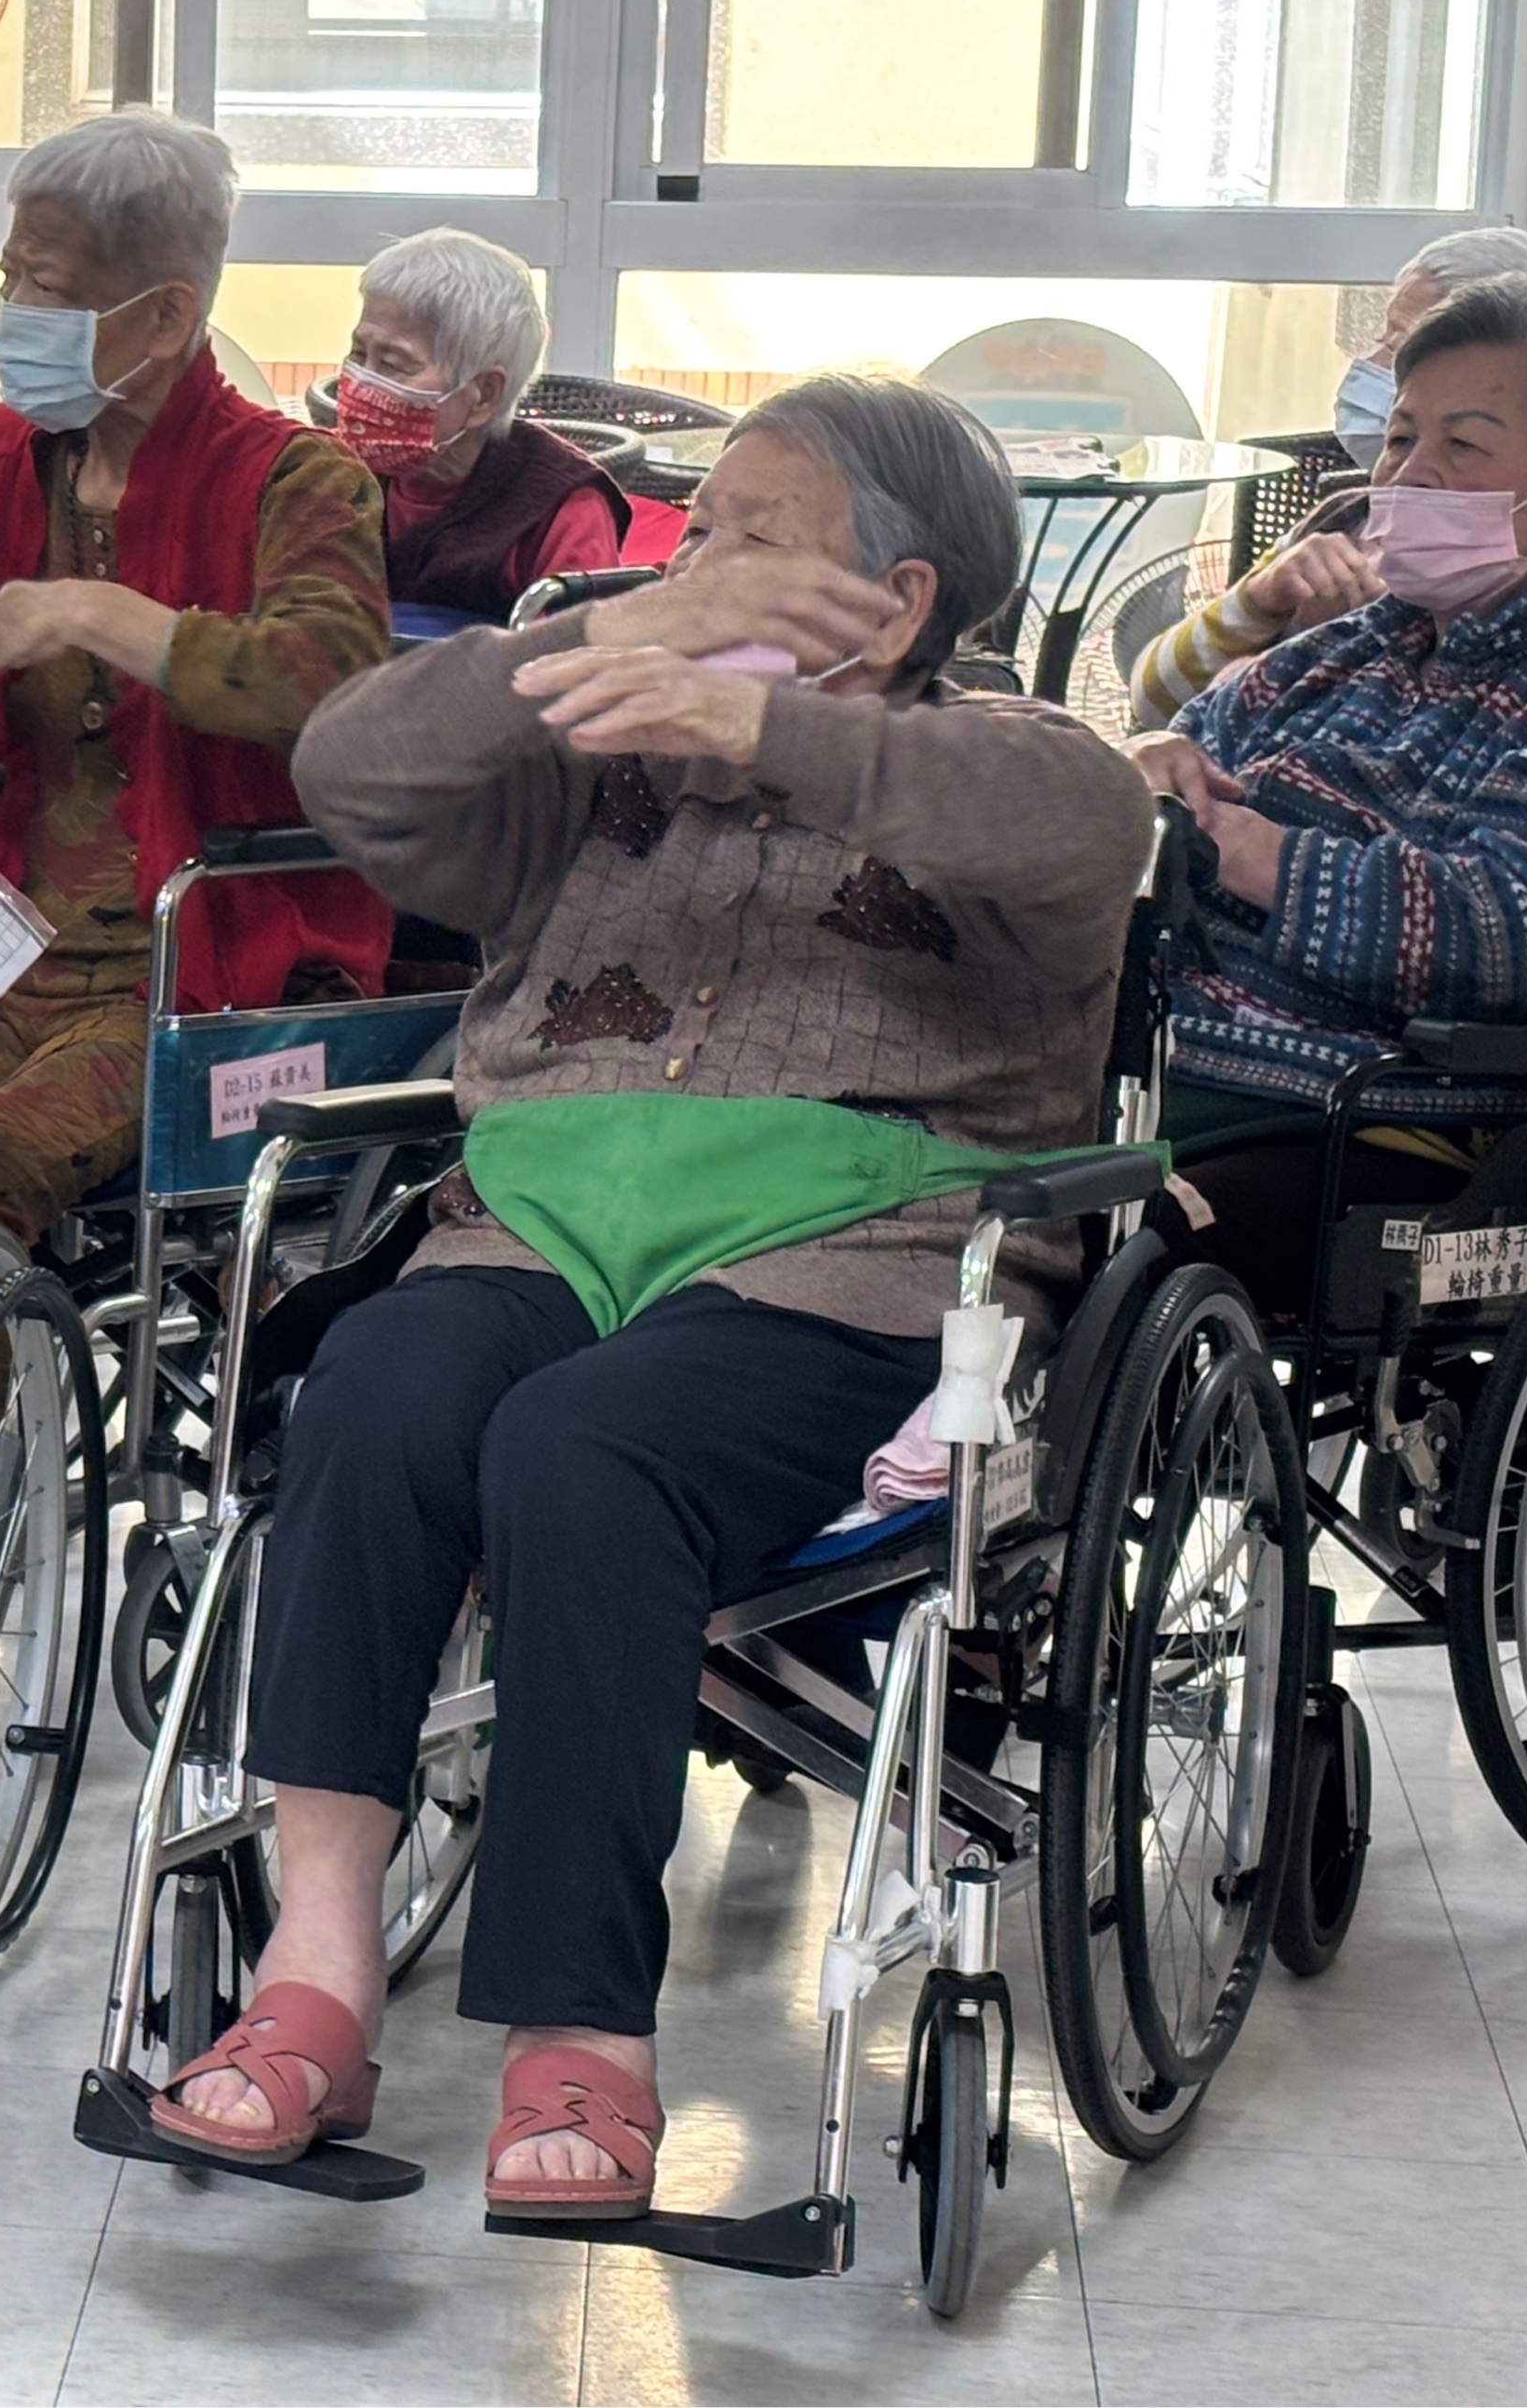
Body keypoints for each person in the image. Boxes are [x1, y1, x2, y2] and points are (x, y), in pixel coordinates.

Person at [156, 377, 1150, 2215]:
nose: (704, 560)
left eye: (759, 535)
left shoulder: (1012, 765)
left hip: (839, 1274)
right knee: (376, 1386)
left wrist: (763, 718)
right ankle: (316, 1962)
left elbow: (1080, 828)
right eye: (701, 527)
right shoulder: (594, 750)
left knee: (582, 1447)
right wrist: (611, 640)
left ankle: (581, 2030)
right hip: (539, 1228)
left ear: (901, 602)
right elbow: (353, 765)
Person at [0, 110, 389, 1238]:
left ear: (165, 315)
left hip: (201, 972)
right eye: (7, 277)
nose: (12, 311)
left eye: (45, 287)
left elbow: (333, 685)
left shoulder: (299, 481)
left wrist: (109, 617)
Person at [1124, 274, 1527, 1313]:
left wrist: (1245, 849)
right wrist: (1139, 779)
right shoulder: (1331, 656)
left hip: (1403, 1128)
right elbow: (1173, 769)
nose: (1408, 476)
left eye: (1461, 446)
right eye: (1399, 439)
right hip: (1172, 1063)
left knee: (1080, 1235)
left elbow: (1505, 929)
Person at [1126, 225, 1527, 728]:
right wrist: (1259, 600)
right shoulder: (1347, 518)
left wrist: (1284, 667)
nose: (1372, 363)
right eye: (1402, 441)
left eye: (1403, 345)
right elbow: (1151, 698)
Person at [332, 228, 626, 626]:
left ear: (483, 395)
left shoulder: (562, 509)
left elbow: (577, 649)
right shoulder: (334, 475)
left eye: (394, 363)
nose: (362, 382)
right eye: (358, 354)